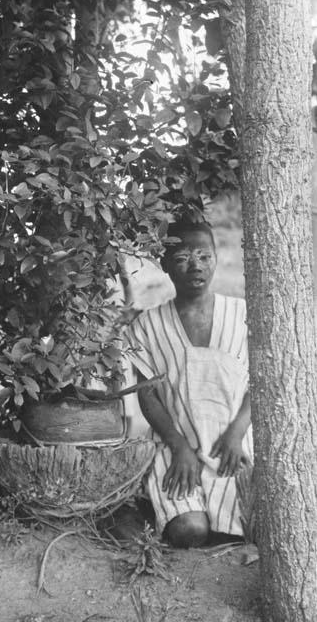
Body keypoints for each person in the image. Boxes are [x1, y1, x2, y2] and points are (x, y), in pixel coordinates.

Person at [125, 219, 253, 548]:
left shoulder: (244, 315)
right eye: (182, 257)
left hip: (231, 446)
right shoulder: (148, 325)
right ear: (165, 265)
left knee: (244, 527)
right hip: (175, 446)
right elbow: (147, 395)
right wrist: (178, 445)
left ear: (216, 257)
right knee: (189, 531)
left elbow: (263, 383)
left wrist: (238, 431)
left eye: (203, 256)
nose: (194, 266)